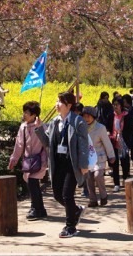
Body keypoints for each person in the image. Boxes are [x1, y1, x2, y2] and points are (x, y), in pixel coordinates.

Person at [35, 91, 89, 239]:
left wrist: (84, 164)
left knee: (67, 194)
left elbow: (83, 145)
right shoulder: (54, 122)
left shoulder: (78, 122)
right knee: (57, 194)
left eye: (59, 102)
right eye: (57, 101)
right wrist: (39, 128)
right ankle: (76, 211)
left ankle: (70, 226)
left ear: (68, 105)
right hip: (57, 163)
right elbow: (47, 143)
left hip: (72, 164)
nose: (56, 105)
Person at [8, 101, 48, 220]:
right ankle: (40, 209)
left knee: (32, 182)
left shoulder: (42, 126)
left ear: (34, 115)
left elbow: (47, 143)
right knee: (33, 184)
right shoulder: (23, 127)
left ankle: (34, 208)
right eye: (24, 112)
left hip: (40, 160)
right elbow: (19, 144)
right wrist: (14, 160)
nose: (24, 114)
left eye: (27, 112)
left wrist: (39, 127)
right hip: (28, 161)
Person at [81, 106, 115, 208]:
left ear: (93, 116)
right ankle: (93, 200)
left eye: (88, 116)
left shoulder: (100, 128)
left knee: (98, 175)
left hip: (99, 157)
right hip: (87, 158)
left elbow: (107, 143)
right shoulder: (81, 127)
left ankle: (104, 196)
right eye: (84, 117)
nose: (86, 119)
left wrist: (111, 155)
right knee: (89, 179)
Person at [121, 94, 133, 179]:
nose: (123, 103)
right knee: (125, 155)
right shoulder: (121, 111)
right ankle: (127, 171)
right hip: (125, 134)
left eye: (124, 101)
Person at [108, 97, 126, 192]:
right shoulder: (111, 116)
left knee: (124, 162)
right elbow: (107, 127)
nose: (115, 106)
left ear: (121, 106)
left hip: (124, 142)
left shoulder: (126, 115)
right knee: (114, 163)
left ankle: (126, 180)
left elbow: (130, 128)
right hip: (113, 141)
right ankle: (116, 184)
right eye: (113, 104)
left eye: (117, 104)